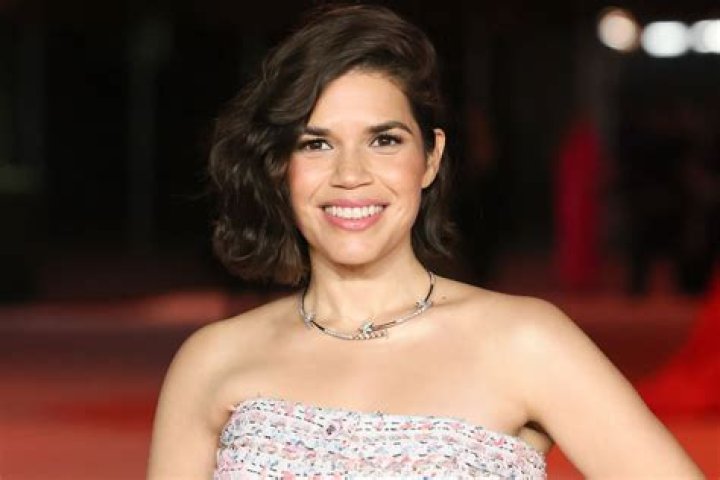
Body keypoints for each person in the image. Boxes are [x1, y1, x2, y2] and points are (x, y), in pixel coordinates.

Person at [147, 5, 702, 478]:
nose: (350, 175)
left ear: (430, 158)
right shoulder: (212, 360)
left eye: (384, 140)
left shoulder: (526, 342)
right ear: (280, 168)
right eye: (316, 144)